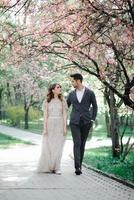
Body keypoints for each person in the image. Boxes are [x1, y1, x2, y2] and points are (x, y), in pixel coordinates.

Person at [67, 73, 98, 175]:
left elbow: (95, 107)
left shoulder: (90, 93)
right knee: (77, 143)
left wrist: (92, 119)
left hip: (86, 122)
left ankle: (79, 165)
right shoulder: (71, 94)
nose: (72, 83)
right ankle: (77, 167)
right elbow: (65, 107)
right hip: (74, 122)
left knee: (82, 144)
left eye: (73, 81)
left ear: (78, 81)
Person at [37, 83, 67, 174]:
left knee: (58, 146)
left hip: (59, 124)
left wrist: (65, 127)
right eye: (58, 87)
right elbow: (45, 115)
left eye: (60, 87)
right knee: (49, 146)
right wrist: (45, 128)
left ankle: (57, 167)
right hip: (50, 124)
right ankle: (49, 166)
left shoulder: (63, 101)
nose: (60, 88)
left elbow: (65, 115)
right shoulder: (47, 101)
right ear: (53, 90)